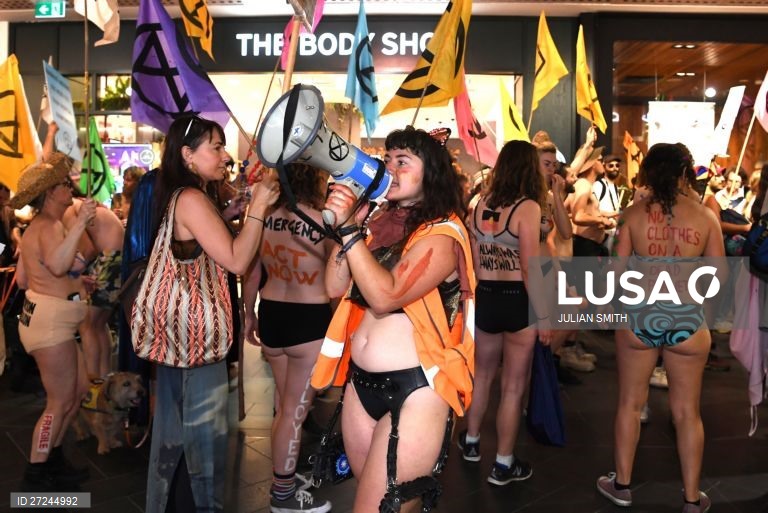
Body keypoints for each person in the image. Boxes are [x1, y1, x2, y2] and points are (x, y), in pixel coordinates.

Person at [311, 126, 475, 513]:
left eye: (404, 161)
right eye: (388, 160)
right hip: (361, 384)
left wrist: (351, 229)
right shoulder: (379, 225)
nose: (390, 169)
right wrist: (351, 225)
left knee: (376, 507)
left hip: (417, 389)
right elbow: (334, 286)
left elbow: (385, 298)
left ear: (431, 172)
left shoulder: (442, 234)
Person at [144, 115, 279, 513]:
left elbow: (203, 246)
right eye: (216, 147)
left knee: (174, 441)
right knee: (201, 445)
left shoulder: (184, 196)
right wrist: (256, 208)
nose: (224, 155)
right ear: (188, 155)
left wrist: (232, 213)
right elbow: (238, 260)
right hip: (195, 342)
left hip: (180, 338)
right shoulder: (190, 199)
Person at [597, 143, 724, 513]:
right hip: (687, 316)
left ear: (650, 172)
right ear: (686, 173)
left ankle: (621, 485)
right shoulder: (705, 218)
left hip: (639, 316)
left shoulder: (633, 215)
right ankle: (691, 498)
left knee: (629, 403)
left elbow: (615, 274)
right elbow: (719, 277)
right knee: (687, 413)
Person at [242, 163, 334, 513]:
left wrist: (248, 313)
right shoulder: (322, 219)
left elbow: (251, 271)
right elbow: (337, 277)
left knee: (284, 407)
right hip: (309, 320)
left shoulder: (263, 216)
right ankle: (282, 496)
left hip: (273, 314)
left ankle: (286, 473)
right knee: (294, 413)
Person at [459, 140, 551, 485]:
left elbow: (472, 255)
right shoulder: (527, 208)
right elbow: (530, 269)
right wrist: (544, 318)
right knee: (513, 387)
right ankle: (503, 463)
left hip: (487, 297)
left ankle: (471, 442)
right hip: (518, 299)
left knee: (481, 376)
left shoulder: (479, 204)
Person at [11, 153, 97, 491]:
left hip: (51, 321)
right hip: (49, 327)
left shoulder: (47, 225)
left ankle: (53, 459)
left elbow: (22, 279)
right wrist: (80, 224)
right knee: (59, 402)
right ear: (49, 193)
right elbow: (59, 267)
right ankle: (35, 475)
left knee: (75, 394)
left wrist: (76, 284)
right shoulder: (47, 225)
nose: (69, 187)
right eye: (62, 184)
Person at [63, 196, 125, 379]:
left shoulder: (69, 210)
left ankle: (93, 383)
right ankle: (104, 378)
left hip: (109, 259)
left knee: (87, 324)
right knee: (98, 324)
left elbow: (87, 251)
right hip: (119, 259)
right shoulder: (79, 205)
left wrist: (72, 275)